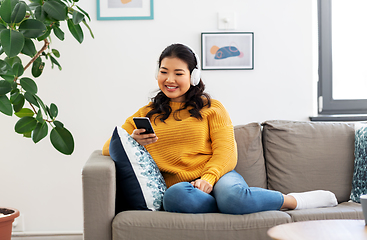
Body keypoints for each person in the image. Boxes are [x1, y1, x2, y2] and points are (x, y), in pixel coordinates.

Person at [102, 43, 338, 214]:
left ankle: (293, 201)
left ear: (193, 76)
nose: (169, 79)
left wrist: (209, 177)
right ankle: (226, 206)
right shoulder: (146, 113)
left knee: (233, 197)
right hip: (184, 189)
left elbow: (226, 150)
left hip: (218, 176)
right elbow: (108, 147)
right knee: (173, 198)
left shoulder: (212, 108)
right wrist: (134, 141)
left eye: (178, 73)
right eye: (164, 72)